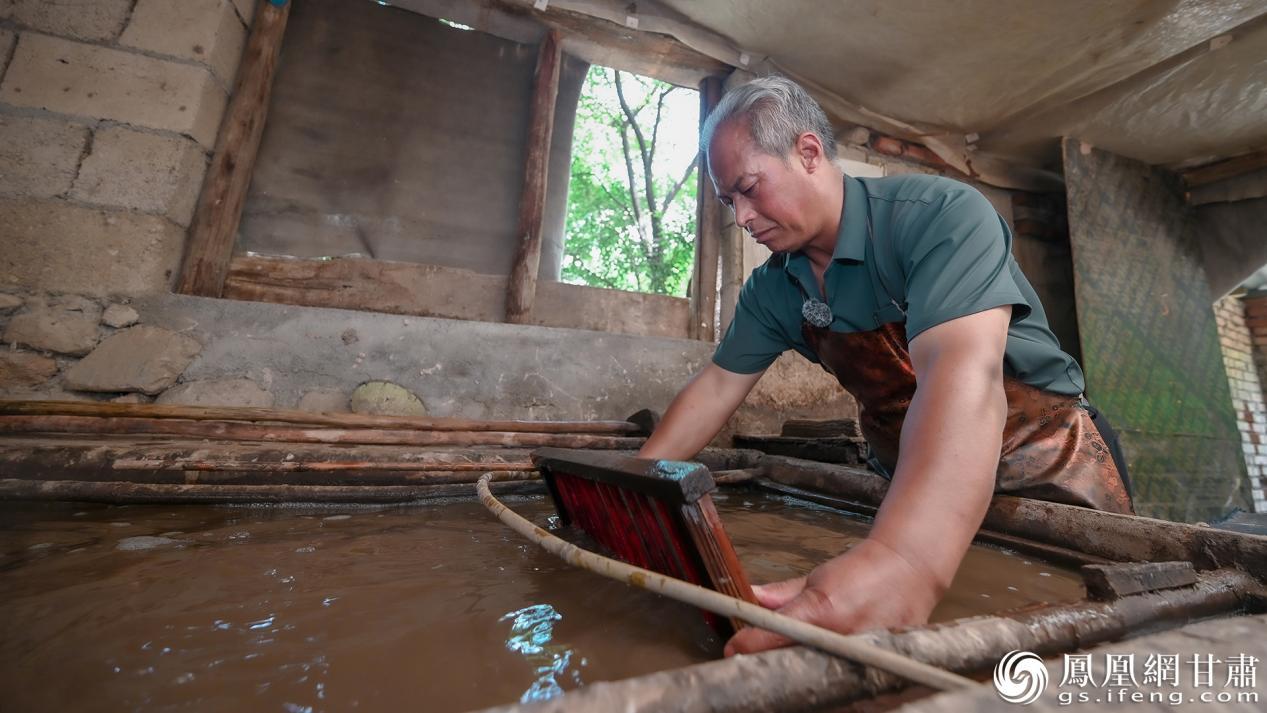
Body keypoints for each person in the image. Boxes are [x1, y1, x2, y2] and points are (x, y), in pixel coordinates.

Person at [636, 76, 1133, 657]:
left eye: (748, 189)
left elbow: (962, 376)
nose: (742, 216)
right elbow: (718, 385)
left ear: (808, 152)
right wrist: (636, 480)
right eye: (728, 202)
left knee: (1075, 644)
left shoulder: (939, 217)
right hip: (915, 486)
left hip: (1047, 469)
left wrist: (906, 561)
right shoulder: (774, 288)